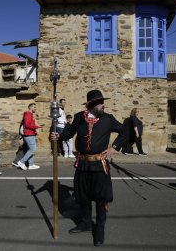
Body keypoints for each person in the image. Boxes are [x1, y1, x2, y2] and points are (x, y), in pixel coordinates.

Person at [51, 89, 126, 247]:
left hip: (99, 165)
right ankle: (85, 223)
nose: (103, 105)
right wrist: (59, 136)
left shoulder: (108, 119)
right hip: (83, 164)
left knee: (100, 199)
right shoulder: (79, 117)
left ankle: (99, 229)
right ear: (92, 105)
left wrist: (114, 147)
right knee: (83, 197)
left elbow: (124, 131)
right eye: (100, 103)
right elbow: (69, 132)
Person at [16, 103, 43, 171]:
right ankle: (21, 162)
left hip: (30, 134)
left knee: (30, 149)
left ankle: (31, 165)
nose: (35, 108)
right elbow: (27, 125)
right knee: (32, 149)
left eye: (35, 107)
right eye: (34, 107)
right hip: (29, 134)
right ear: (30, 107)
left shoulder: (30, 114)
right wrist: (37, 127)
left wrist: (36, 128)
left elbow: (30, 124)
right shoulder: (28, 114)